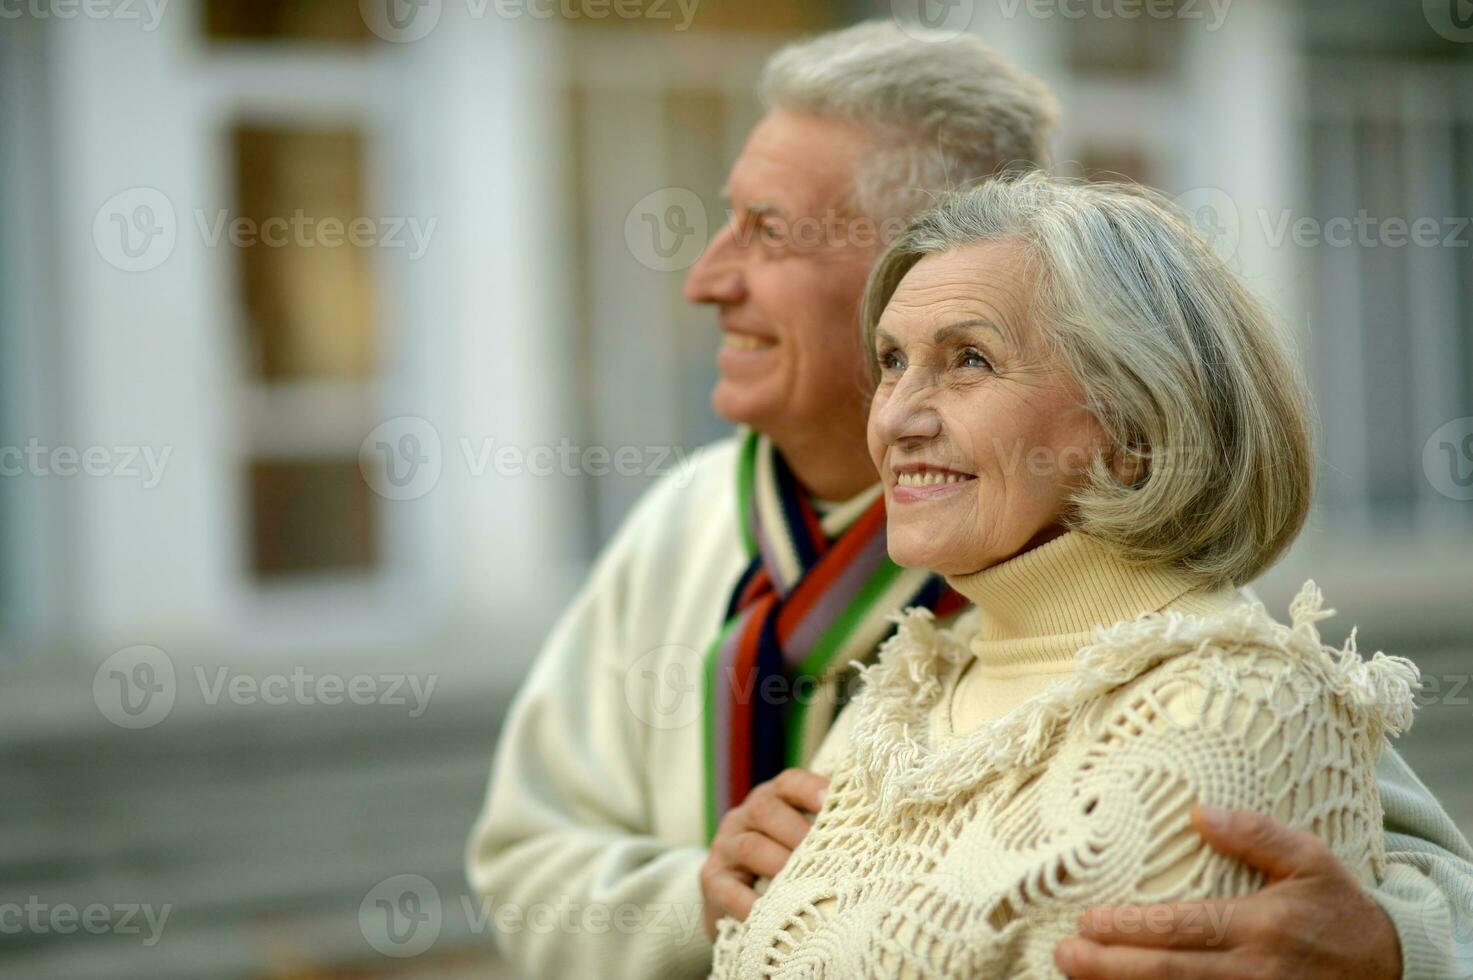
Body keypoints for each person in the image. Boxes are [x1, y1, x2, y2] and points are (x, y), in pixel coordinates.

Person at [466, 21, 1473, 980]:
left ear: (927, 243)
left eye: (764, 232)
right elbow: (521, 853)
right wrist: (696, 894)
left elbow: (1382, 860)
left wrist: (1395, 950)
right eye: (897, 360)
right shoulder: (686, 520)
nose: (704, 277)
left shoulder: (1136, 591)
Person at [708, 172, 1419, 977]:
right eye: (891, 362)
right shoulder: (912, 682)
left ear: (1132, 424)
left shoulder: (1227, 704)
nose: (895, 416)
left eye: (967, 360)